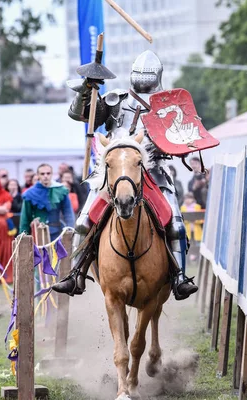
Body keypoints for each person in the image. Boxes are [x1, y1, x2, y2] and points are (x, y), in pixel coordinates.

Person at [55, 50, 197, 300]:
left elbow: (182, 139)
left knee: (175, 226)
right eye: (139, 74)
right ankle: (75, 274)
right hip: (116, 173)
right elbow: (80, 115)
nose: (143, 80)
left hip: (155, 172)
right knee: (83, 222)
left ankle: (179, 277)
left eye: (148, 75)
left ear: (157, 76)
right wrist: (86, 92)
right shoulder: (115, 100)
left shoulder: (168, 106)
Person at [19, 164, 75, 241]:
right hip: (37, 234)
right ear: (38, 175)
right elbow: (25, 218)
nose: (45, 176)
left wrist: (70, 229)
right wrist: (23, 237)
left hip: (57, 233)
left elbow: (68, 212)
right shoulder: (30, 193)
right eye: (42, 174)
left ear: (52, 174)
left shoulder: (61, 190)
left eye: (48, 173)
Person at [180, 193, 203, 261]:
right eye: (186, 198)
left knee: (198, 245)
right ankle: (188, 260)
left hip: (196, 230)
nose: (187, 200)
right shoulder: (182, 208)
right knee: (188, 245)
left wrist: (194, 220)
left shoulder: (197, 207)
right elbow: (182, 219)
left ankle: (199, 259)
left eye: (189, 198)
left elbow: (201, 219)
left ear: (192, 199)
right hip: (188, 231)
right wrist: (190, 220)